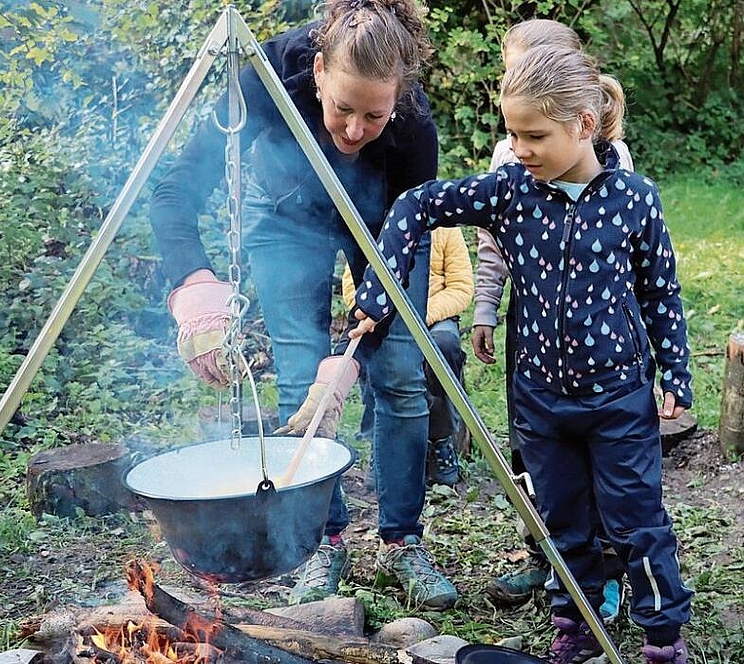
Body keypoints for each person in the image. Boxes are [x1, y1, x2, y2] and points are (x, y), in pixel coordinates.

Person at [350, 45, 694, 664]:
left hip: (619, 397)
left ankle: (662, 638)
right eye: (511, 133)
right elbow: (413, 206)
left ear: (583, 125)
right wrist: (380, 292)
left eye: (534, 135)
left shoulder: (634, 198)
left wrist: (676, 373)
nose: (519, 148)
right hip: (538, 398)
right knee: (559, 522)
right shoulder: (510, 191)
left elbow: (660, 292)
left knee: (636, 522)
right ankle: (579, 622)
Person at [149, 0, 458, 611]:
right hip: (285, 217)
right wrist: (194, 283)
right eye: (343, 108)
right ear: (317, 71)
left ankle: (401, 542)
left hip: (386, 231)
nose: (352, 130)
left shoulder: (413, 127)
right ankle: (322, 540)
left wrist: (357, 347)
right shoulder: (262, 81)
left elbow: (401, 244)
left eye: (374, 115)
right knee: (299, 381)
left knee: (398, 377)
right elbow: (176, 189)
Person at [472, 18, 633, 621]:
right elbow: (494, 245)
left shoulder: (610, 158)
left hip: (598, 347)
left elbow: (628, 254)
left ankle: (609, 566)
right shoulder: (509, 155)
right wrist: (487, 306)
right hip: (532, 333)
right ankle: (549, 556)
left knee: (600, 460)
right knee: (535, 450)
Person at [342, 226, 474, 485]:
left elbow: (460, 287)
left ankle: (440, 440)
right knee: (373, 349)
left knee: (444, 345)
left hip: (433, 317)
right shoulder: (372, 225)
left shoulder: (446, 228)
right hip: (383, 316)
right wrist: (386, 316)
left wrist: (416, 320)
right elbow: (352, 286)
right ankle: (380, 445)